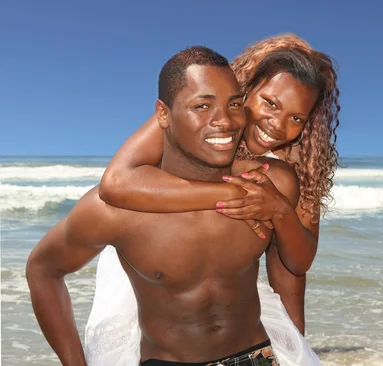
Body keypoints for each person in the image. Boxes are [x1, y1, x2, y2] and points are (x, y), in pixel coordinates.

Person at [27, 46, 302, 365]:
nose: (224, 121)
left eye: (234, 104)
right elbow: (42, 269)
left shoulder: (269, 186)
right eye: (202, 106)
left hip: (255, 356)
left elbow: (292, 267)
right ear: (163, 115)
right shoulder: (116, 210)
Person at [94, 34, 339, 344]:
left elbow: (296, 264)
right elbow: (116, 183)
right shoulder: (197, 113)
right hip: (146, 276)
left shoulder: (293, 164)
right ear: (244, 89)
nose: (277, 125)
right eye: (270, 103)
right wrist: (231, 194)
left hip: (216, 293)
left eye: (296, 118)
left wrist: (296, 346)